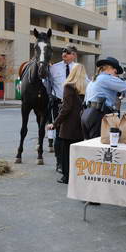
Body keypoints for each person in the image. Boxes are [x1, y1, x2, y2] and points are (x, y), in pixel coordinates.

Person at [47, 63, 88, 184]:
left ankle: (66, 177)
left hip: (69, 124)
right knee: (76, 153)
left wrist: (55, 123)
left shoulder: (69, 87)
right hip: (80, 124)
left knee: (65, 152)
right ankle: (76, 175)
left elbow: (66, 108)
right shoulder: (85, 88)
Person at [81, 57, 126, 140]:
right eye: (116, 72)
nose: (116, 75)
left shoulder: (94, 80)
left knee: (90, 147)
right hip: (98, 114)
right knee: (99, 147)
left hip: (85, 114)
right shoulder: (106, 78)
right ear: (110, 68)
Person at [49, 45, 79, 173]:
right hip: (58, 104)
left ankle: (69, 162)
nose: (64, 54)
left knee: (70, 134)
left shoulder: (78, 69)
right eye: (63, 51)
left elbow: (87, 83)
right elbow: (47, 85)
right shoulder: (54, 68)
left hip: (73, 106)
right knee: (59, 133)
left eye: (68, 52)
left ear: (74, 55)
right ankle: (59, 162)